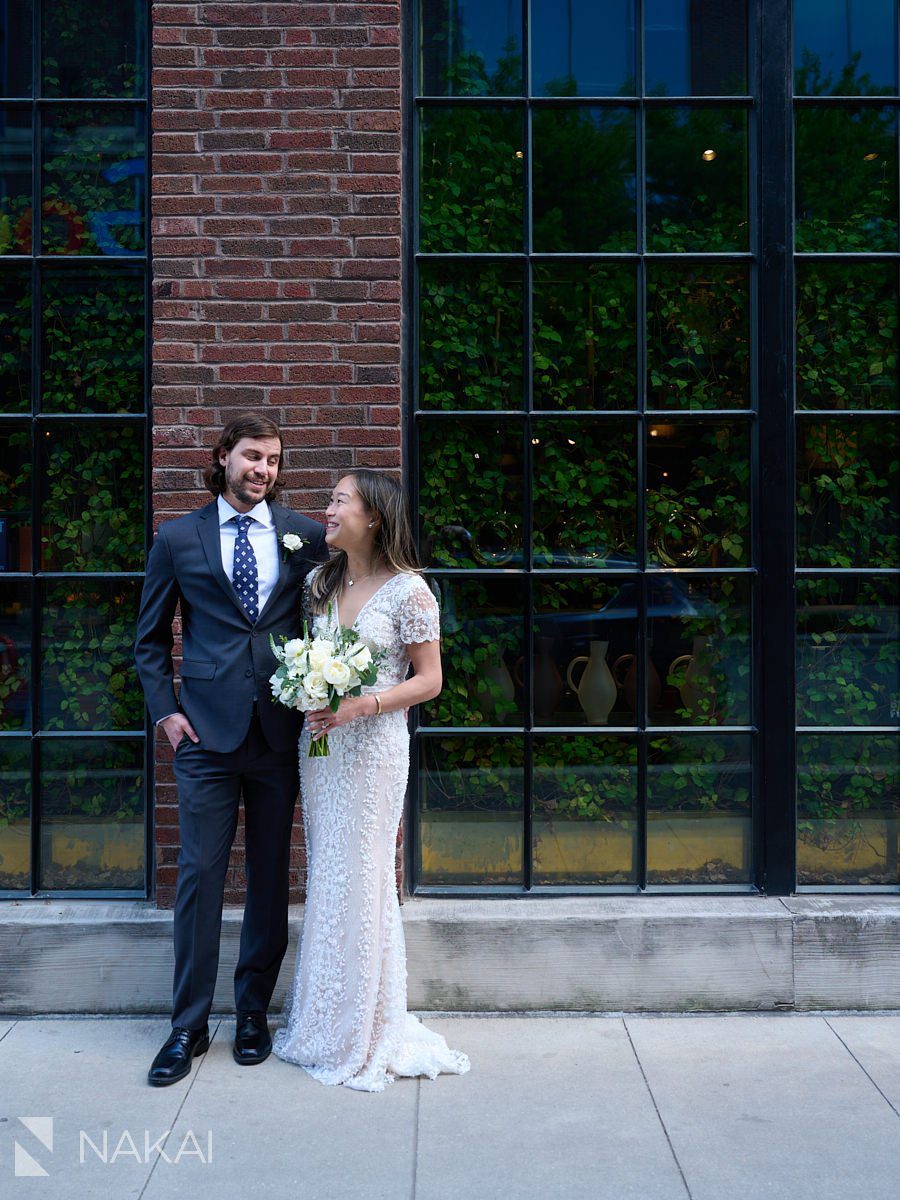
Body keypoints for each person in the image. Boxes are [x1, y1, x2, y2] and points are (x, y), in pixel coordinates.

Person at [134, 413, 328, 1086]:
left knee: (271, 878)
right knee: (198, 881)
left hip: (278, 735)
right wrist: (167, 715)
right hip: (204, 739)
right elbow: (149, 639)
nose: (263, 470)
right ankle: (186, 1027)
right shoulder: (178, 537)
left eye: (273, 460)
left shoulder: (304, 534)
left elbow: (329, 620)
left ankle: (252, 1013)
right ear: (222, 459)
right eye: (252, 457)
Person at [273, 469, 471, 1091]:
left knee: (363, 876)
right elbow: (313, 657)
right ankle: (323, 1020)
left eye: (338, 501)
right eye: (330, 499)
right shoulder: (318, 583)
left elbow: (429, 680)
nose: (325, 510)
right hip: (323, 750)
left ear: (375, 516)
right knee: (329, 872)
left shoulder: (411, 592)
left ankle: (367, 1026)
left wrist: (365, 704)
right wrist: (307, 688)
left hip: (375, 751)